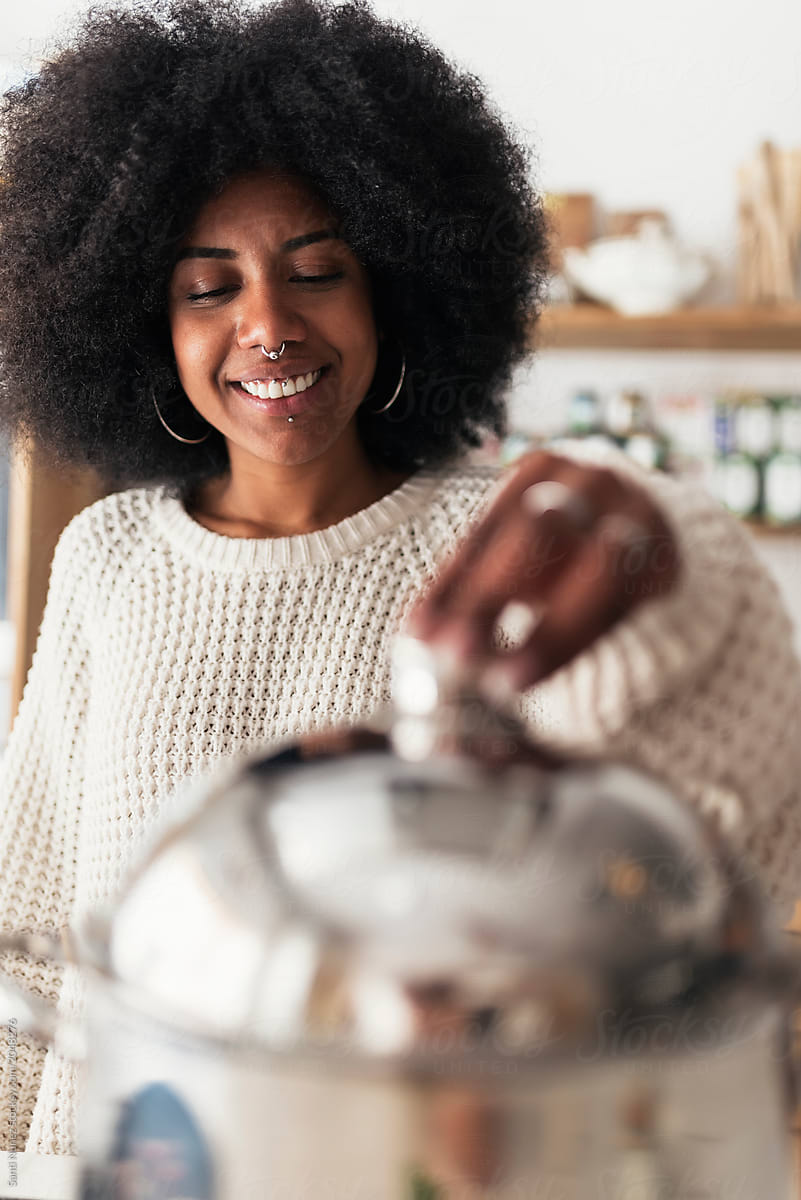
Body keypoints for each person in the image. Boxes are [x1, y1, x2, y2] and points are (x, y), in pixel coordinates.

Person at [0, 0, 799, 1165]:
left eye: (316, 271)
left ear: (395, 292)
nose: (268, 324)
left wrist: (693, 571)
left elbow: (723, 823)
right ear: (142, 325)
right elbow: (27, 942)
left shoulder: (491, 556)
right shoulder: (105, 558)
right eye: (208, 288)